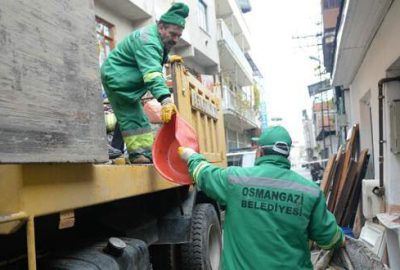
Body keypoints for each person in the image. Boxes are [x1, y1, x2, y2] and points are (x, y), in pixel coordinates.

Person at [178, 126, 344, 270]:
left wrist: (191, 156)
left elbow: (204, 174)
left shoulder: (235, 181)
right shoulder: (310, 192)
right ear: (286, 154)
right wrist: (340, 237)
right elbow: (330, 239)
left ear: (260, 151)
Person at [100, 2, 189, 164]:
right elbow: (152, 74)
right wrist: (166, 100)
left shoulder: (156, 39)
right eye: (173, 34)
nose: (176, 39)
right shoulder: (148, 40)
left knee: (132, 118)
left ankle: (142, 154)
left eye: (179, 36)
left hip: (123, 75)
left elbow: (148, 59)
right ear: (161, 27)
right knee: (134, 118)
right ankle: (139, 156)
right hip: (118, 78)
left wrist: (167, 59)